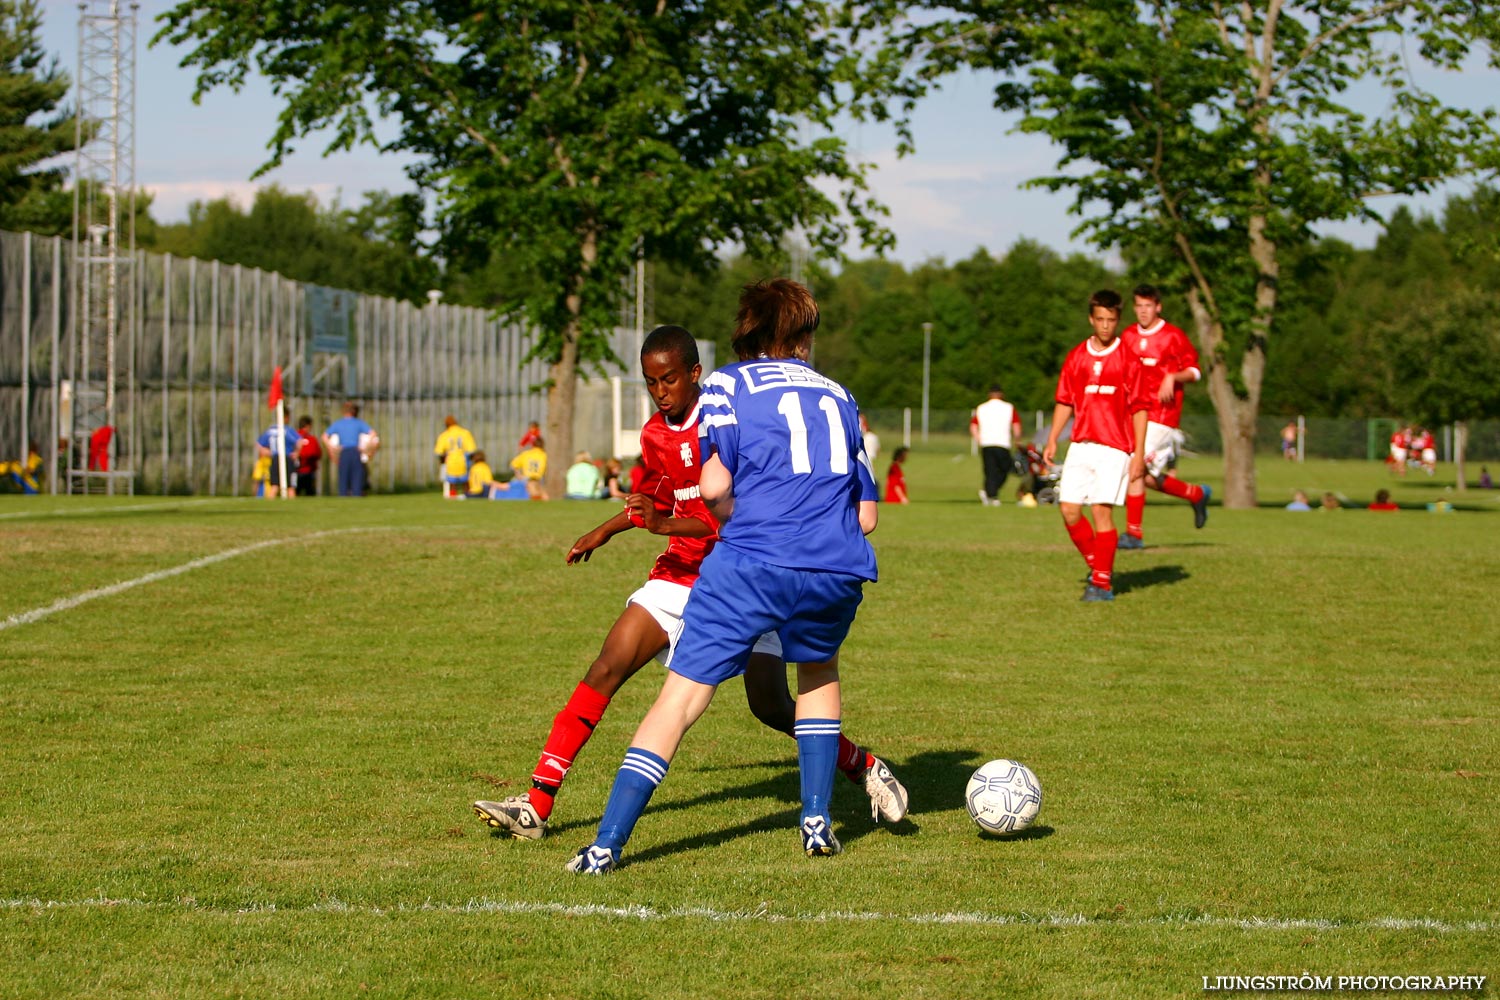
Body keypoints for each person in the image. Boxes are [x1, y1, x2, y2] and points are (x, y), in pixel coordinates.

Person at [475, 323, 904, 852]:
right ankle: (537, 802)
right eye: (651, 383)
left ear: (695, 374)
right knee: (607, 666)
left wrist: (664, 525)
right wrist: (607, 529)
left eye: (669, 380)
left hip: (742, 577)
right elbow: (658, 496)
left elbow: (731, 515)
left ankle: (859, 764)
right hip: (679, 576)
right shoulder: (655, 433)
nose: (660, 392)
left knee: (770, 705)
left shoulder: (735, 414)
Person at [564, 280, 887, 874]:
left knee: (680, 698)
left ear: (748, 331)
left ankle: (606, 844)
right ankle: (815, 817)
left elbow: (713, 489)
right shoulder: (841, 397)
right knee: (817, 670)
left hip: (752, 562)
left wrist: (748, 516)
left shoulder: (728, 385)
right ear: (802, 335)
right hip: (836, 567)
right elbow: (866, 518)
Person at [1043, 289, 1149, 603]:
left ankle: (1101, 585)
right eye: (1100, 319)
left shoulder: (1128, 359)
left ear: (1118, 320)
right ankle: (1098, 566)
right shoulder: (1077, 357)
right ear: (1091, 319)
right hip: (1081, 444)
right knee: (1069, 510)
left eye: (1111, 320)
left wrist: (1138, 454)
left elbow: (1140, 407)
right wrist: (1052, 438)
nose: (1105, 326)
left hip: (1114, 447)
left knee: (1101, 513)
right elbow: (1065, 400)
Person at [1116, 285, 1211, 549]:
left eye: (1148, 305)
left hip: (1162, 415)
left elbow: (1195, 371)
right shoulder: (1128, 336)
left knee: (1135, 468)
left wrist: (1173, 376)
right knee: (1142, 474)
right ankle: (1196, 494)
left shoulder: (1173, 336)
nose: (1143, 311)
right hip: (1135, 414)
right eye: (1139, 306)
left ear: (1158, 306)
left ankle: (1133, 535)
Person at [971, 385, 1022, 506]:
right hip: (1002, 442)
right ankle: (992, 495)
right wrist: (1017, 439)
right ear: (1001, 394)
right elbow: (1016, 425)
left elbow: (973, 426)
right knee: (1003, 469)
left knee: (990, 470)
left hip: (987, 443)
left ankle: (989, 492)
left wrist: (978, 438)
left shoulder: (981, 408)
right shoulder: (1009, 408)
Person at [322, 401, 376, 498]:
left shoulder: (338, 424)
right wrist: (365, 447)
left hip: (344, 452)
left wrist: (332, 447)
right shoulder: (358, 423)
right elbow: (373, 434)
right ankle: (356, 495)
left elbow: (325, 436)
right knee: (356, 476)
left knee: (343, 476)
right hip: (355, 451)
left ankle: (343, 495)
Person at [256, 417, 302, 499]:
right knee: (290, 487)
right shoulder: (287, 430)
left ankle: (269, 507)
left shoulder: (270, 431)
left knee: (274, 486)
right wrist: (297, 453)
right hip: (287, 458)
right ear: (286, 417)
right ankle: (293, 507)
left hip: (275, 459)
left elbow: (259, 445)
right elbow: (299, 441)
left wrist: (268, 452)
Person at [435, 415, 477, 499]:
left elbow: (439, 452)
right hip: (463, 460)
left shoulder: (444, 435)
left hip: (450, 461)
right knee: (466, 481)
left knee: (452, 483)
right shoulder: (465, 433)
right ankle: (467, 496)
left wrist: (442, 461)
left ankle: (453, 497)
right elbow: (471, 449)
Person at [294, 416, 322, 496]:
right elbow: (317, 453)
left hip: (294, 471)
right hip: (308, 471)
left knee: (295, 493)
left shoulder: (292, 437)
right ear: (308, 426)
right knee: (310, 493)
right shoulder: (311, 439)